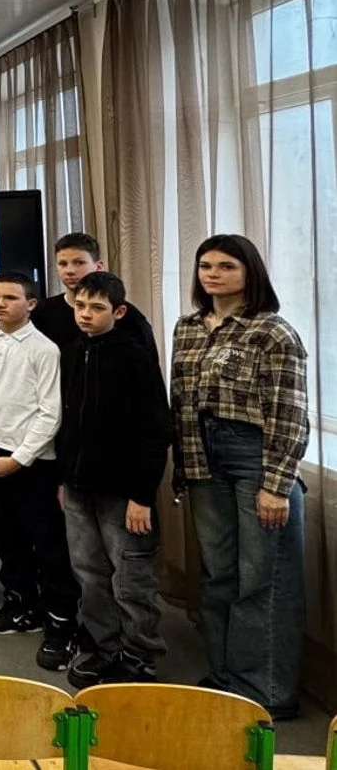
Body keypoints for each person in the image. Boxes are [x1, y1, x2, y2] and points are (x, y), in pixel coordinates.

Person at [171, 234, 309, 719]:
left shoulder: (272, 331)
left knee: (262, 576)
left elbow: (289, 412)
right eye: (205, 266)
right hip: (202, 453)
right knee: (218, 573)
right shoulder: (188, 327)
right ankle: (226, 674)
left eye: (226, 266)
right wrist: (184, 468)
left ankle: (268, 690)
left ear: (249, 272)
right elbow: (180, 401)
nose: (213, 274)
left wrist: (276, 484)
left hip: (255, 455)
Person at [58, 271, 173, 689]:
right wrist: (64, 478)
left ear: (119, 312)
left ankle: (139, 655)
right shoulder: (72, 352)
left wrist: (141, 495)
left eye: (97, 308)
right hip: (78, 486)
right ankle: (103, 646)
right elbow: (68, 422)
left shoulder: (134, 357)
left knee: (130, 577)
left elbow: (156, 430)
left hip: (123, 492)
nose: (85, 315)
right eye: (80, 306)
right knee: (88, 571)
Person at [0, 271, 80, 672]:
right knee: (6, 537)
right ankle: (20, 603)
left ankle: (61, 620)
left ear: (30, 304)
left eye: (10, 298)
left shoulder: (44, 349)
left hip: (32, 462)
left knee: (46, 542)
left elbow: (50, 412)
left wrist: (20, 458)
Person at [32, 232, 157, 356]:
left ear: (98, 266)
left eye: (79, 263)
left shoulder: (128, 316)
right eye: (63, 264)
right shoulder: (41, 312)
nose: (70, 271)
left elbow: (149, 363)